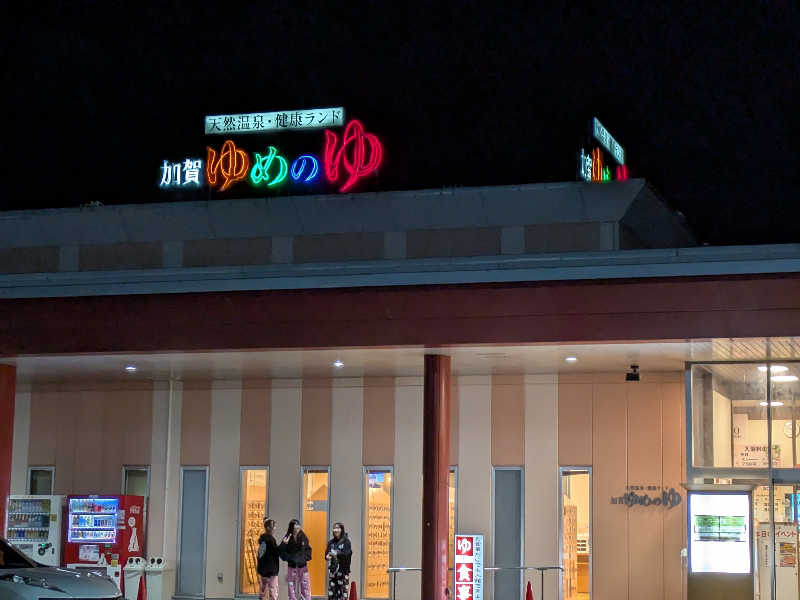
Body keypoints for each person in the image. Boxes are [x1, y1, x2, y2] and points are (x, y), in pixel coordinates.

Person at [278, 518, 312, 600]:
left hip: (303, 566)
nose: (296, 530)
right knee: (291, 586)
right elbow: (281, 551)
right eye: (294, 528)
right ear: (291, 528)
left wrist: (305, 558)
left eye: (298, 528)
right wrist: (288, 558)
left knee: (305, 585)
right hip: (292, 566)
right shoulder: (287, 537)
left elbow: (308, 549)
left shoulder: (303, 536)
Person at [325, 522, 352, 600]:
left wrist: (337, 553)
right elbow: (326, 554)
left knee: (343, 594)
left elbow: (347, 554)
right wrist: (327, 556)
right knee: (332, 594)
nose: (335, 530)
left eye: (338, 528)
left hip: (343, 571)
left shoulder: (346, 541)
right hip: (333, 571)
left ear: (342, 529)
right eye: (334, 528)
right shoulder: (331, 542)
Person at [257, 518, 280, 600]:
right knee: (272, 592)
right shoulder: (268, 540)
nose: (275, 528)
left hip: (265, 571)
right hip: (270, 571)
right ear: (268, 528)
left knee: (263, 592)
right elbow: (275, 552)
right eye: (273, 526)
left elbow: (260, 555)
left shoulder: (264, 540)